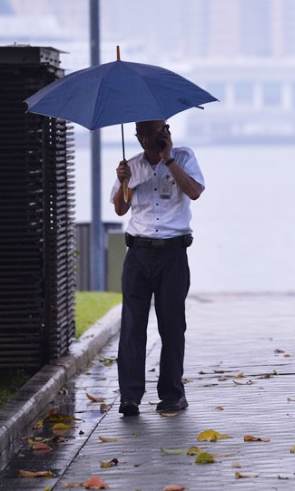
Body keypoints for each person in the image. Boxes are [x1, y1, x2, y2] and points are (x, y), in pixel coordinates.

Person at [111, 119, 205, 416]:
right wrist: (123, 181)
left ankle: (172, 394)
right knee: (132, 326)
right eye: (153, 132)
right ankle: (130, 396)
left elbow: (195, 192)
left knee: (172, 325)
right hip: (138, 253)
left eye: (165, 129)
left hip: (173, 254)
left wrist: (169, 160)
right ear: (141, 137)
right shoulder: (132, 166)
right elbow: (120, 208)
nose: (162, 135)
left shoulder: (185, 157)